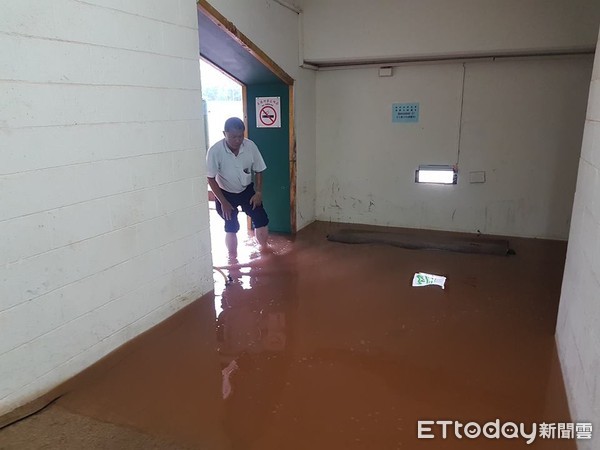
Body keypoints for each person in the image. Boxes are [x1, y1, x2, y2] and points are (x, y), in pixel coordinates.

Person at [206, 117, 269, 259]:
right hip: (225, 193)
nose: (237, 140)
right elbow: (210, 178)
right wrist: (223, 202)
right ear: (224, 134)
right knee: (231, 225)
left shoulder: (250, 146)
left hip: (247, 190)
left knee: (261, 218)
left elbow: (259, 169)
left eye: (240, 136)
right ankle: (232, 259)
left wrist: (258, 192)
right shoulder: (215, 151)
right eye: (233, 137)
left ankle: (265, 251)